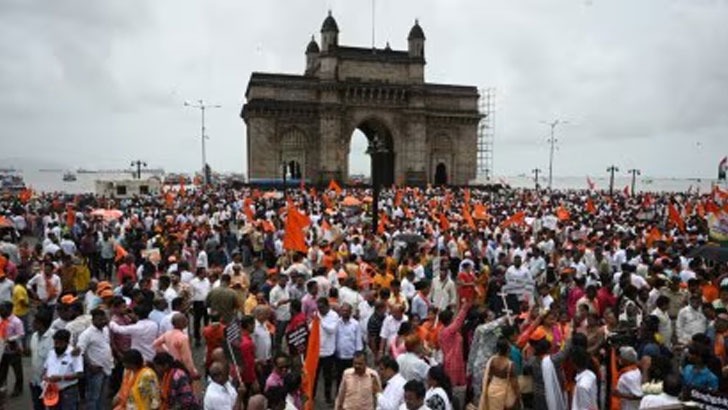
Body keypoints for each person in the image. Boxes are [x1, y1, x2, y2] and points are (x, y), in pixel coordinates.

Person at [75, 308, 114, 410]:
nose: (102, 322)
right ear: (93, 320)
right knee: (93, 397)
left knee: (103, 397)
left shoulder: (105, 330)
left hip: (107, 367)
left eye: (103, 319)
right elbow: (80, 352)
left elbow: (106, 345)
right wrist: (90, 365)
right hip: (95, 370)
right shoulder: (86, 334)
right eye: (99, 320)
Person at [43, 329, 84, 410]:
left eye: (60, 343)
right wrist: (45, 377)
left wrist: (61, 378)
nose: (57, 345)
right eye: (55, 343)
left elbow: (80, 374)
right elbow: (46, 368)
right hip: (52, 391)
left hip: (68, 392)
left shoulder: (74, 353)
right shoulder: (51, 352)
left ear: (66, 342)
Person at [152, 313, 199, 379]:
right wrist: (192, 371)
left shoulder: (167, 333)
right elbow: (187, 358)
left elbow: (155, 344)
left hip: (170, 365)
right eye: (185, 320)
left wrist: (166, 351)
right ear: (181, 323)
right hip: (180, 366)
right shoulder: (183, 337)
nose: (187, 321)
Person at [479, 337, 519, 410]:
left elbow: (488, 377)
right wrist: (518, 395)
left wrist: (484, 389)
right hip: (504, 393)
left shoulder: (492, 360)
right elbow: (514, 383)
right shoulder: (510, 365)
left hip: (491, 390)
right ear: (508, 350)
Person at [316, 296, 340, 404]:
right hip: (317, 352)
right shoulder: (316, 314)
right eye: (318, 307)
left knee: (327, 377)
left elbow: (332, 330)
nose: (320, 310)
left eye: (321, 307)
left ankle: (327, 397)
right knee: (315, 376)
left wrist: (321, 321)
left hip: (328, 352)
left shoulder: (334, 316)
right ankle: (311, 396)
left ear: (327, 306)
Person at [29, 309, 54, 410]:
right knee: (37, 406)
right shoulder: (34, 336)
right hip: (35, 381)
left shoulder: (53, 338)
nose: (32, 323)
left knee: (51, 406)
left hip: (48, 382)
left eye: (34, 321)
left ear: (41, 324)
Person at [0, 300, 24, 396]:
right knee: (2, 370)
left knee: (17, 371)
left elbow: (21, 334)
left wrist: (10, 339)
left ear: (10, 309)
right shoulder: (1, 319)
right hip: (2, 349)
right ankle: (2, 386)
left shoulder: (16, 321)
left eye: (3, 308)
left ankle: (18, 388)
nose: (1, 310)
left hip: (14, 349)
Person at [335, 303, 363, 385]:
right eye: (343, 310)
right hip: (339, 356)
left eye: (347, 311)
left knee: (351, 378)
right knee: (339, 378)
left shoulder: (355, 324)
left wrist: (358, 355)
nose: (344, 312)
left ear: (350, 312)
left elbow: (358, 341)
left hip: (351, 356)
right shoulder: (337, 323)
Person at [189, 267, 210, 347]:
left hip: (206, 303)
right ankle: (197, 338)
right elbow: (191, 294)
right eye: (204, 272)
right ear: (199, 273)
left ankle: (207, 336)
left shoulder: (207, 281)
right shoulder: (193, 282)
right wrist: (191, 305)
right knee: (197, 322)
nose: (205, 274)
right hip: (197, 303)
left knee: (206, 321)